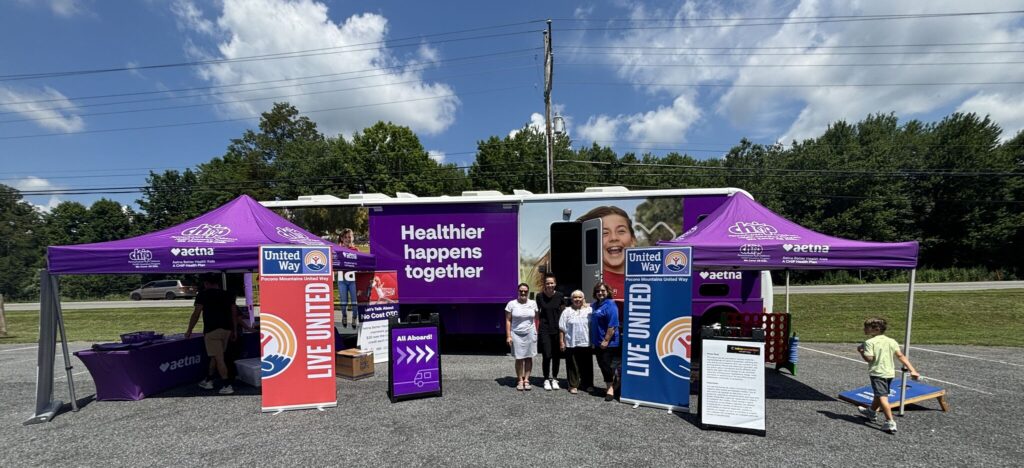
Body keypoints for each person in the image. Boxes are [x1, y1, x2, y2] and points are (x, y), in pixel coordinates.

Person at [856, 317, 921, 433]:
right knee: (879, 393)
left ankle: (890, 421)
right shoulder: (891, 341)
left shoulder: (869, 343)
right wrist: (912, 370)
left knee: (882, 397)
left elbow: (869, 358)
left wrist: (861, 351)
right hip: (889, 373)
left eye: (866, 327)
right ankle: (871, 411)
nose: (864, 329)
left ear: (875, 329)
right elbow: (900, 356)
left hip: (877, 373)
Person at [186, 274, 241, 395]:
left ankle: (227, 384)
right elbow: (234, 313)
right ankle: (209, 379)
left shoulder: (202, 295)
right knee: (215, 356)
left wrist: (189, 329)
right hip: (227, 330)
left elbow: (196, 313)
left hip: (211, 330)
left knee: (219, 358)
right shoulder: (228, 294)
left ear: (206, 283)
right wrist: (235, 330)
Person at [576, 206, 637, 302]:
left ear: (633, 240)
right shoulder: (585, 281)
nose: (613, 238)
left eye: (621, 231)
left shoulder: (648, 279)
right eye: (604, 233)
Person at [590, 282, 620, 401]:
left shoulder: (611, 305)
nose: (600, 293)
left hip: (608, 342)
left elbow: (612, 325)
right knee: (602, 365)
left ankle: (610, 389)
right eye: (598, 291)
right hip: (597, 341)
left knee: (606, 366)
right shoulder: (595, 305)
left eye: (603, 290)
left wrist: (606, 340)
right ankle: (615, 384)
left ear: (607, 292)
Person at [505, 282, 539, 391]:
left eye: (525, 291)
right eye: (521, 291)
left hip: (530, 333)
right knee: (519, 358)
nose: (523, 292)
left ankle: (527, 380)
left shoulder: (533, 303)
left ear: (528, 292)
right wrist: (508, 336)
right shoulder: (511, 304)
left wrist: (536, 332)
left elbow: (536, 319)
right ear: (518, 292)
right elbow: (508, 320)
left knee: (529, 357)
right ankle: (520, 380)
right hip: (516, 334)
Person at [559, 289, 592, 395]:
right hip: (571, 342)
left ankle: (587, 384)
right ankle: (573, 385)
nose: (577, 299)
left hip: (586, 341)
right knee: (572, 365)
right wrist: (561, 342)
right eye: (575, 297)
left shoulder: (589, 310)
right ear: (571, 299)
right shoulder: (566, 311)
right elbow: (562, 328)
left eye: (579, 297)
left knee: (587, 364)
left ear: (583, 298)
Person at [535, 274, 565, 391]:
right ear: (545, 284)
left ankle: (555, 378)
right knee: (547, 355)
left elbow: (564, 312)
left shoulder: (560, 296)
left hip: (557, 329)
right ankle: (546, 378)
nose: (550, 285)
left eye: (552, 283)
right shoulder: (540, 296)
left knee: (557, 356)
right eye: (547, 283)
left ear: (555, 284)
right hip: (545, 329)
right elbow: (537, 313)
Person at [336, 229, 358, 328]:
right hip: (342, 279)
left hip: (353, 279)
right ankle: (344, 316)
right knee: (343, 301)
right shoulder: (338, 250)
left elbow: (359, 265)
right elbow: (335, 264)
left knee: (354, 301)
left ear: (352, 238)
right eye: (345, 237)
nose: (348, 239)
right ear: (342, 239)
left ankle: (354, 317)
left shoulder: (356, 250)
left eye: (350, 237)